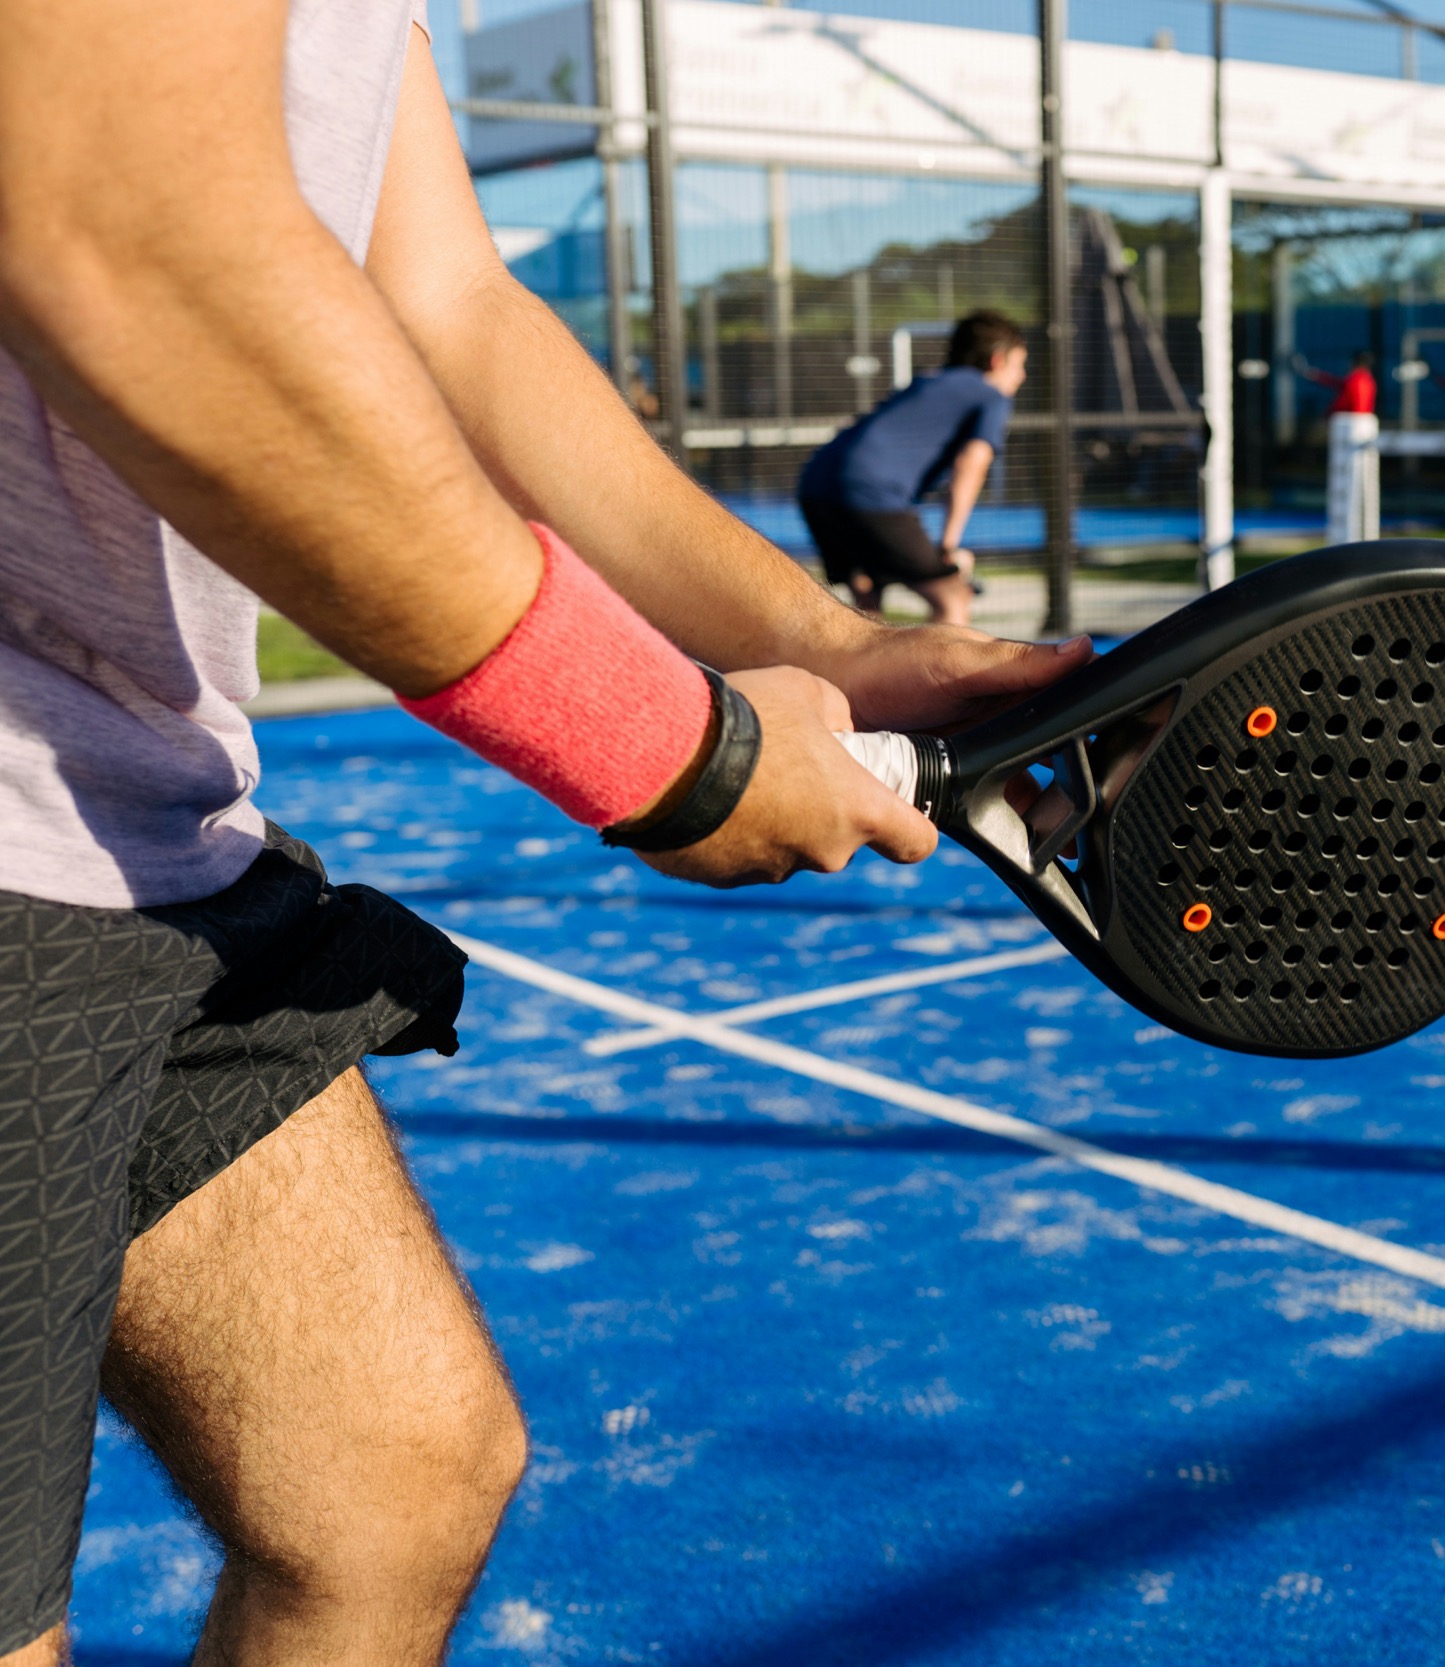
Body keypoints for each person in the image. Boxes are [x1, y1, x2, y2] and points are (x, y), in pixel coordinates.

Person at [0, 4, 1086, 1659]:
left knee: (389, 1480)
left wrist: (833, 650)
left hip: (136, 821)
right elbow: (116, 221)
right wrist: (670, 748)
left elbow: (451, 310)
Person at [798, 312, 1026, 626]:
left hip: (815, 484)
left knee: (866, 598)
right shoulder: (990, 394)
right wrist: (949, 546)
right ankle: (951, 677)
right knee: (953, 596)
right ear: (998, 361)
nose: (1022, 376)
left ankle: (864, 675)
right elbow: (973, 462)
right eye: (1020, 365)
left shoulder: (928, 380)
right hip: (869, 491)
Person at [1298, 349, 1379, 417]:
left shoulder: (1355, 379)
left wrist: (1329, 413)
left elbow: (1341, 399)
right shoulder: (1369, 381)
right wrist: (1316, 375)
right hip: (1363, 420)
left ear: (1354, 363)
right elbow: (1337, 383)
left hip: (1350, 422)